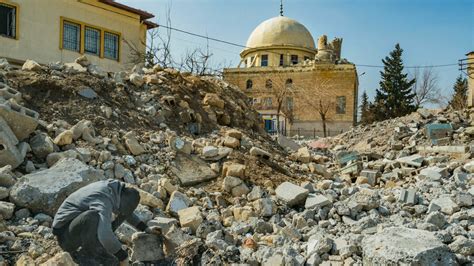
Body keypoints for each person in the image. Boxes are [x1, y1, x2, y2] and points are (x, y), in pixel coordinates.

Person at [52, 179, 148, 265]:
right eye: (122, 209)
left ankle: (97, 248)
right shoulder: (103, 199)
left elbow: (127, 212)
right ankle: (88, 255)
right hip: (65, 237)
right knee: (93, 217)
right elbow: (104, 234)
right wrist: (123, 256)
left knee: (116, 216)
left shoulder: (117, 191)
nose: (121, 212)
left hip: (78, 228)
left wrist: (145, 228)